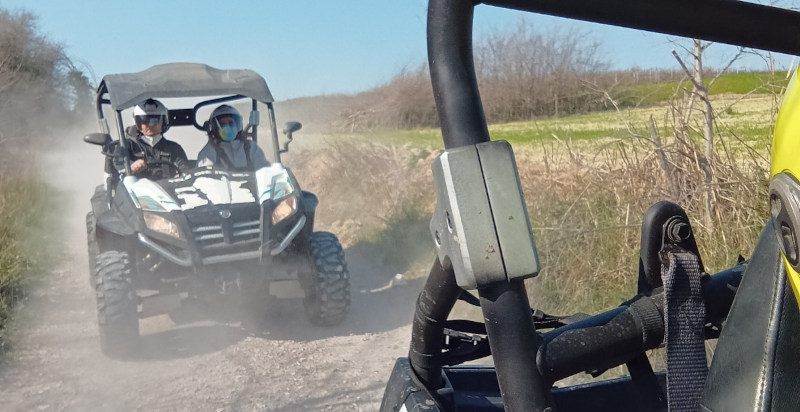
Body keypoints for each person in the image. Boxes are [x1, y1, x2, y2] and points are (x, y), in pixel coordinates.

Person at [107, 98, 190, 181]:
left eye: (154, 120)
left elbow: (185, 170)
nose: (149, 125)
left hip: (170, 191)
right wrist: (131, 166)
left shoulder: (174, 148)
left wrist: (181, 176)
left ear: (163, 121)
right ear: (137, 123)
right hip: (137, 191)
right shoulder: (126, 145)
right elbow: (118, 162)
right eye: (144, 120)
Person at [197, 104, 270, 171]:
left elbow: (264, 171)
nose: (228, 127)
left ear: (237, 124)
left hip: (251, 185)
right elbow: (206, 176)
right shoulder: (209, 151)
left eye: (230, 123)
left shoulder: (250, 147)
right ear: (215, 128)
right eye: (222, 124)